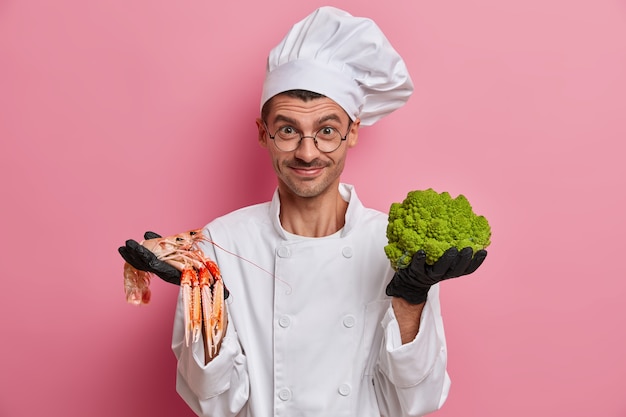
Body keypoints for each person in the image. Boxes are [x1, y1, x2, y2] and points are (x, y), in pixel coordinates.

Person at [119, 6, 487, 417]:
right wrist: (209, 309)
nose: (307, 152)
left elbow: (418, 399)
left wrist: (411, 301)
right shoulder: (220, 244)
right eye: (288, 129)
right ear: (264, 134)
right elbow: (214, 403)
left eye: (327, 131)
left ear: (352, 134)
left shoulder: (395, 248)